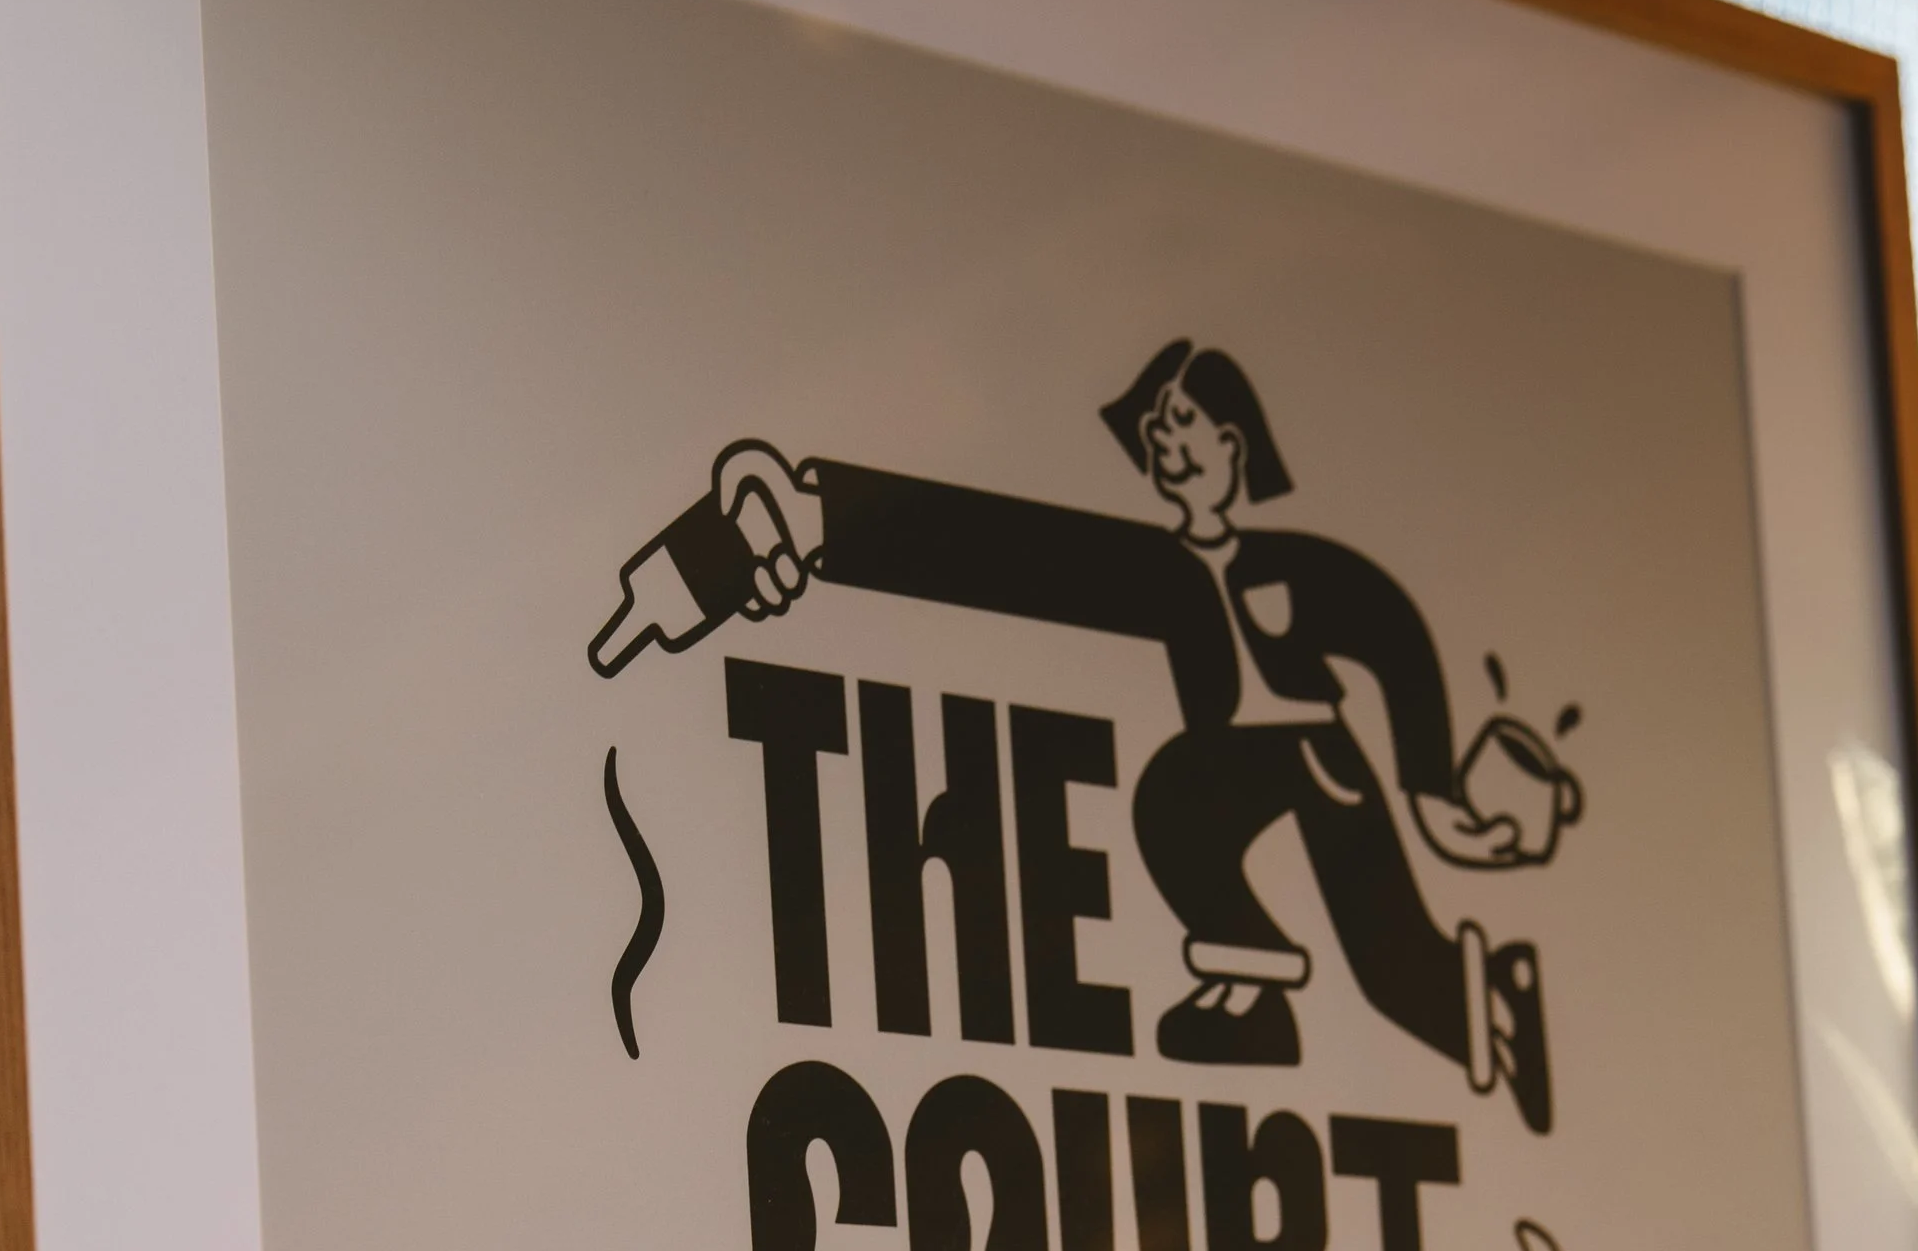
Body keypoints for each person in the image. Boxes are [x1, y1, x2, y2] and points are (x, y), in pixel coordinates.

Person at [606, 342, 1556, 1122]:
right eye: (1155, 430)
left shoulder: (1304, 565)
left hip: (1321, 759)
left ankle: (1455, 1004)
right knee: (1196, 815)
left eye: (1182, 423)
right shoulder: (1154, 565)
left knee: (1367, 947)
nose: (1164, 443)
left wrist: (1433, 789)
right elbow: (1010, 554)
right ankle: (1317, 1001)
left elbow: (1393, 635)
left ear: (1233, 444)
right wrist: (817, 518)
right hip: (1233, 770)